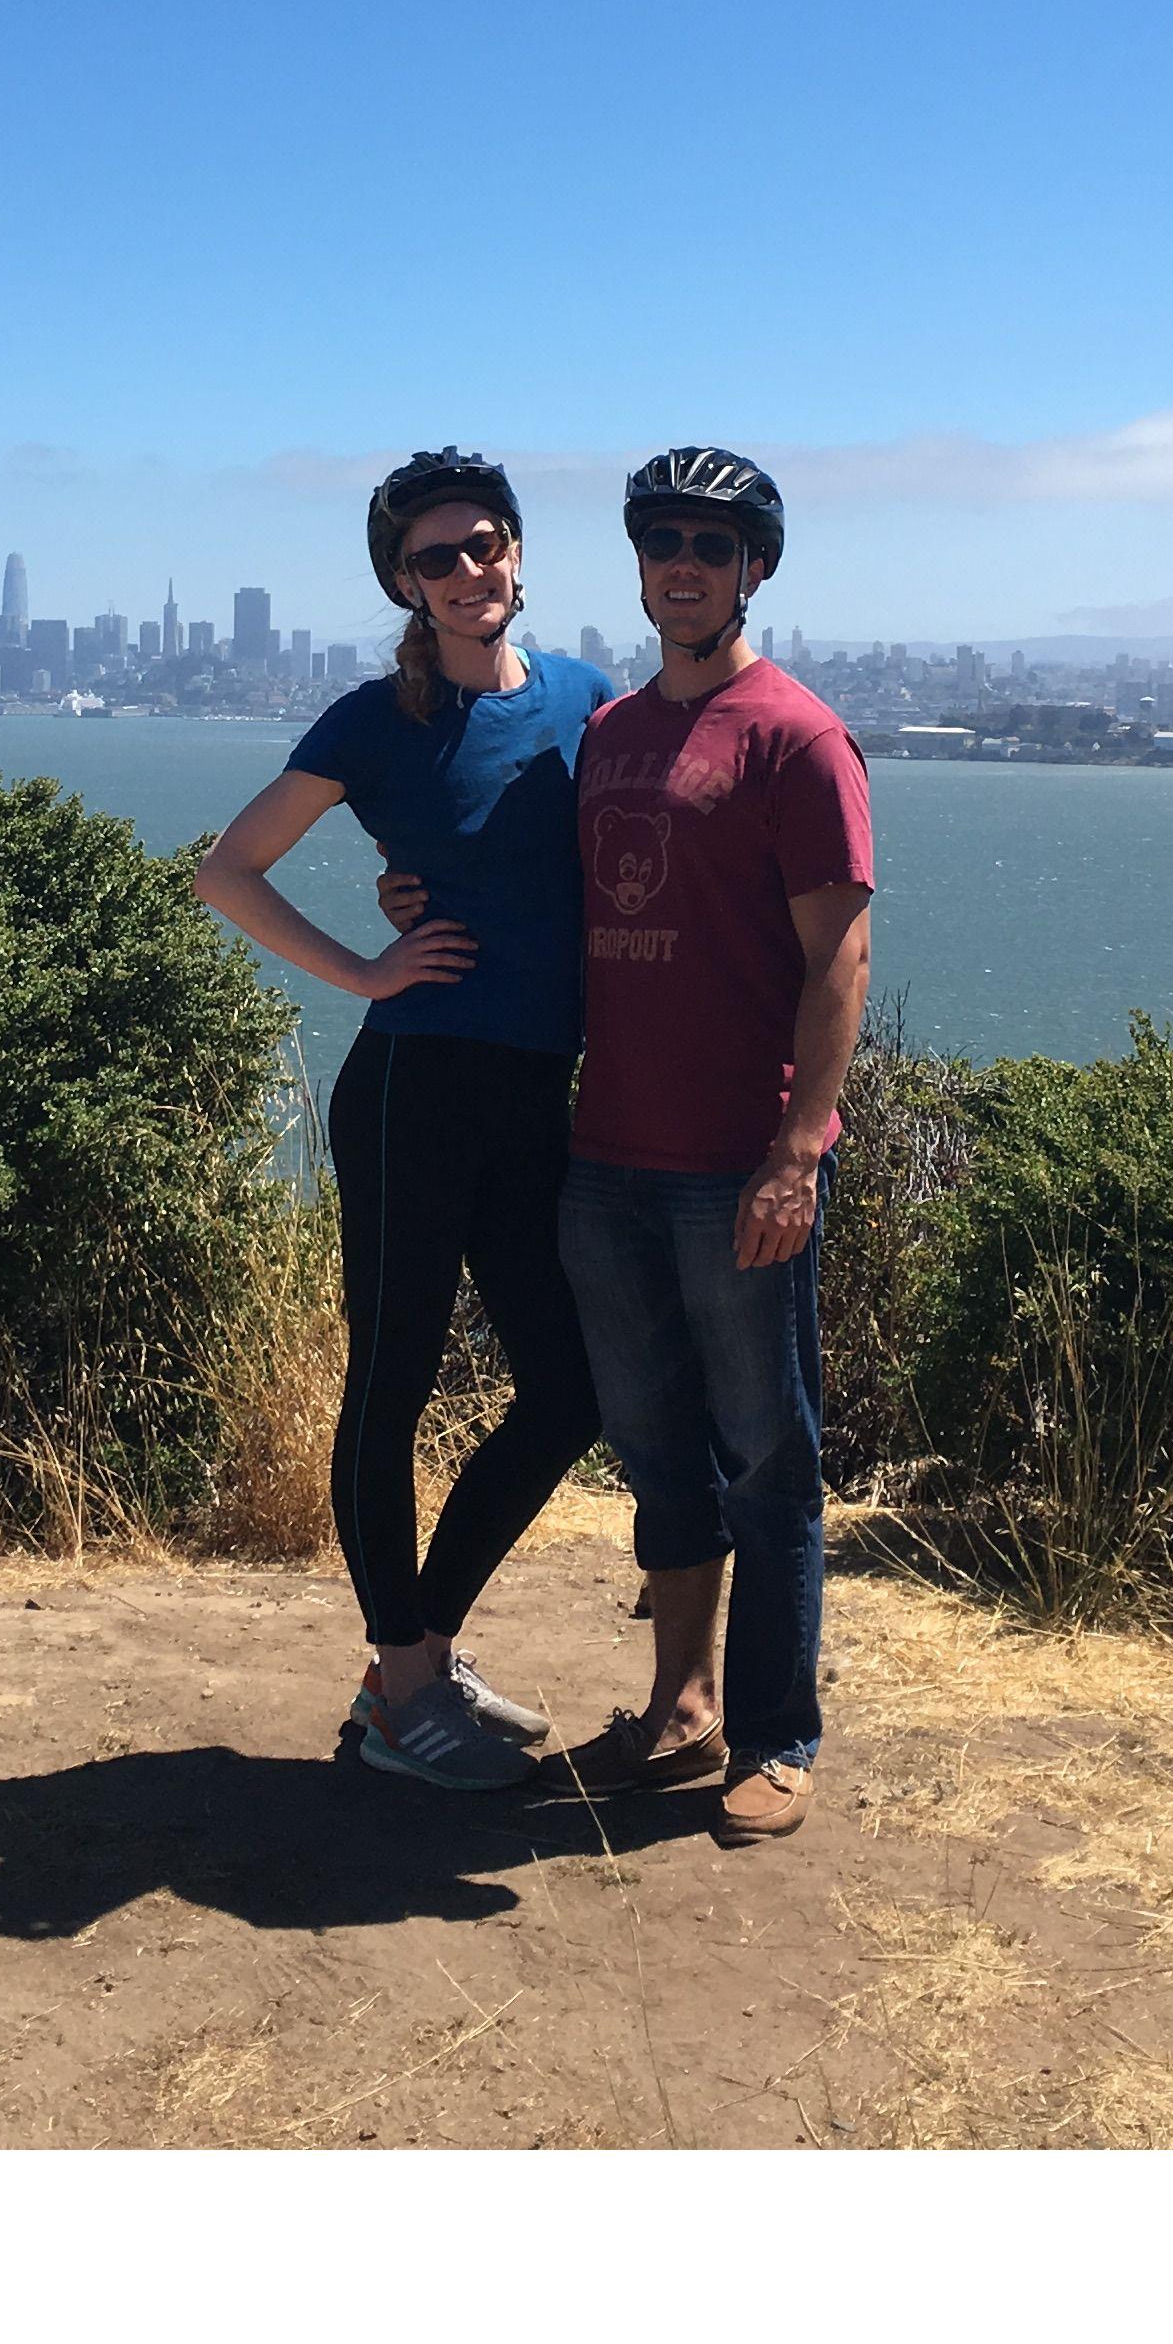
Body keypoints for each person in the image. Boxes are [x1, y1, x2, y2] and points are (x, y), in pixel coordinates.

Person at [191, 450, 613, 1794]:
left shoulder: (590, 705)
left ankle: (413, 1662)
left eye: (486, 544)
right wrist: (365, 968)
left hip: (535, 1094)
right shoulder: (375, 721)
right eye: (438, 558)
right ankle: (407, 1682)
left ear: (520, 554)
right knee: (393, 1385)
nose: (470, 571)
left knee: (568, 1391)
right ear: (403, 583)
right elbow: (229, 870)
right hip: (413, 1089)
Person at [547, 445, 872, 1849]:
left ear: (755, 569)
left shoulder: (796, 736)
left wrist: (797, 1152)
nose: (684, 560)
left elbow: (841, 959)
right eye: (663, 537)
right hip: (606, 1153)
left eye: (712, 541)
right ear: (638, 560)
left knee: (766, 1455)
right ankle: (678, 1710)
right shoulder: (611, 731)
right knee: (657, 1448)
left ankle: (776, 1733)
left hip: (738, 1166)